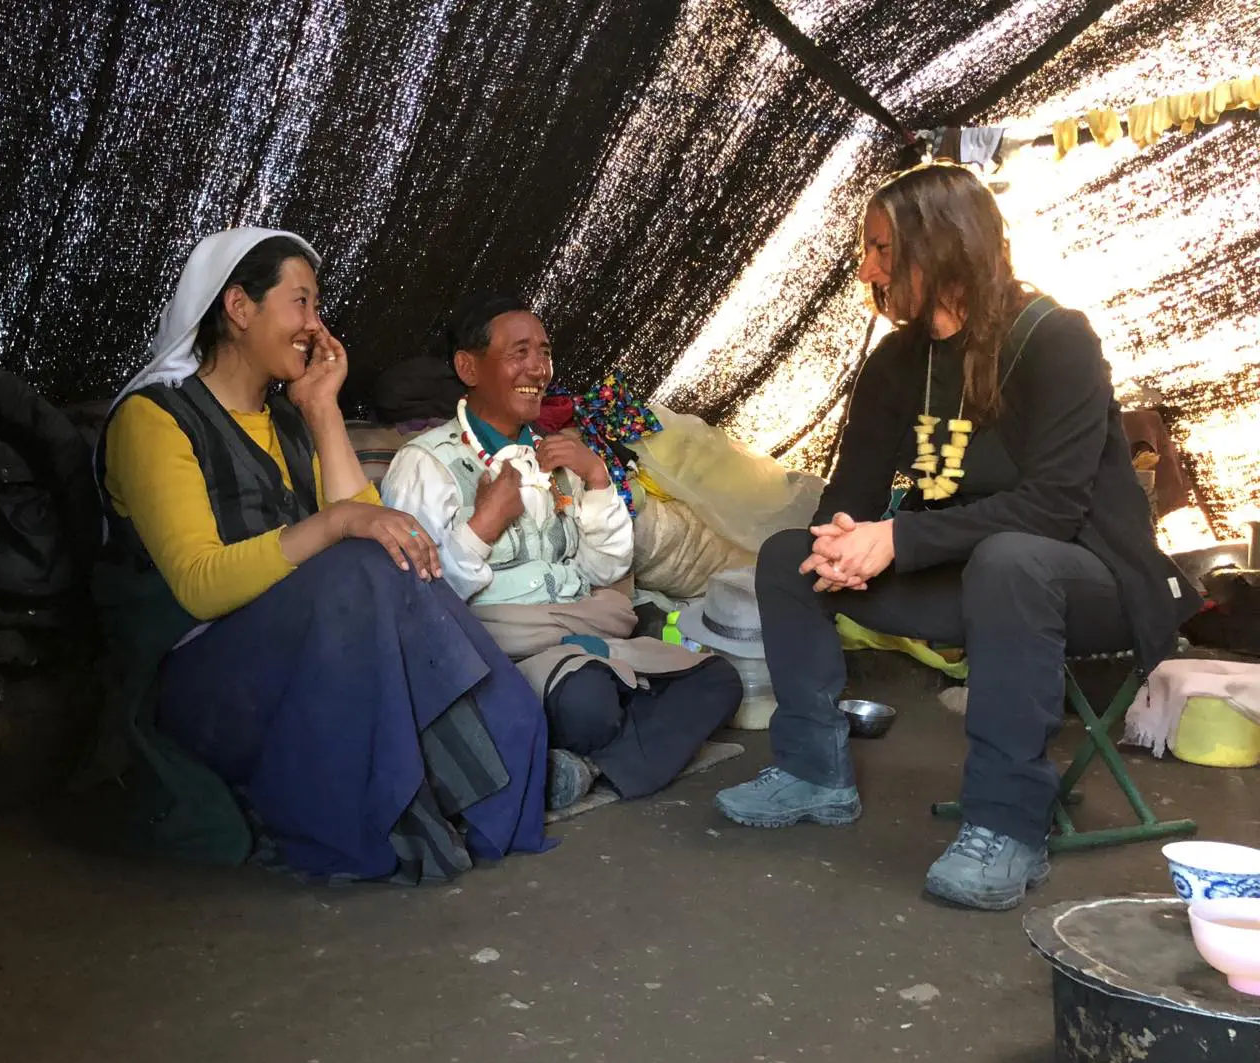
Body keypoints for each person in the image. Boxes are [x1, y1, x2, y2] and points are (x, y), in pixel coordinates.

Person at [713, 164, 1201, 911]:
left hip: (1085, 579)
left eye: (881, 249)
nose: (866, 269)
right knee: (790, 558)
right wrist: (843, 538)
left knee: (1012, 562)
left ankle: (1007, 827)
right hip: (967, 577)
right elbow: (850, 493)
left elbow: (1052, 509)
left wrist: (898, 541)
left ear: (939, 247)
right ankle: (814, 773)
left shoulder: (1055, 339)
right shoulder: (896, 363)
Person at [96, 228, 551, 883]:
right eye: (301, 302)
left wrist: (322, 409)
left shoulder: (288, 422)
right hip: (196, 693)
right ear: (239, 308)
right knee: (359, 563)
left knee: (383, 557)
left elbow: (376, 528)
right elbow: (198, 586)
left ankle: (504, 759)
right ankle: (471, 781)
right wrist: (337, 524)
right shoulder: (154, 419)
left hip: (302, 677)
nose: (316, 325)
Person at [383, 295, 741, 810]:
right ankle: (614, 742)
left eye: (545, 352)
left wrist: (597, 480)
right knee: (590, 703)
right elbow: (421, 599)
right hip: (506, 647)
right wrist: (483, 525)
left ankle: (582, 770)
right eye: (519, 351)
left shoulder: (556, 455)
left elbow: (605, 568)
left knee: (717, 679)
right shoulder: (427, 463)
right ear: (468, 366)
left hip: (587, 630)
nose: (538, 369)